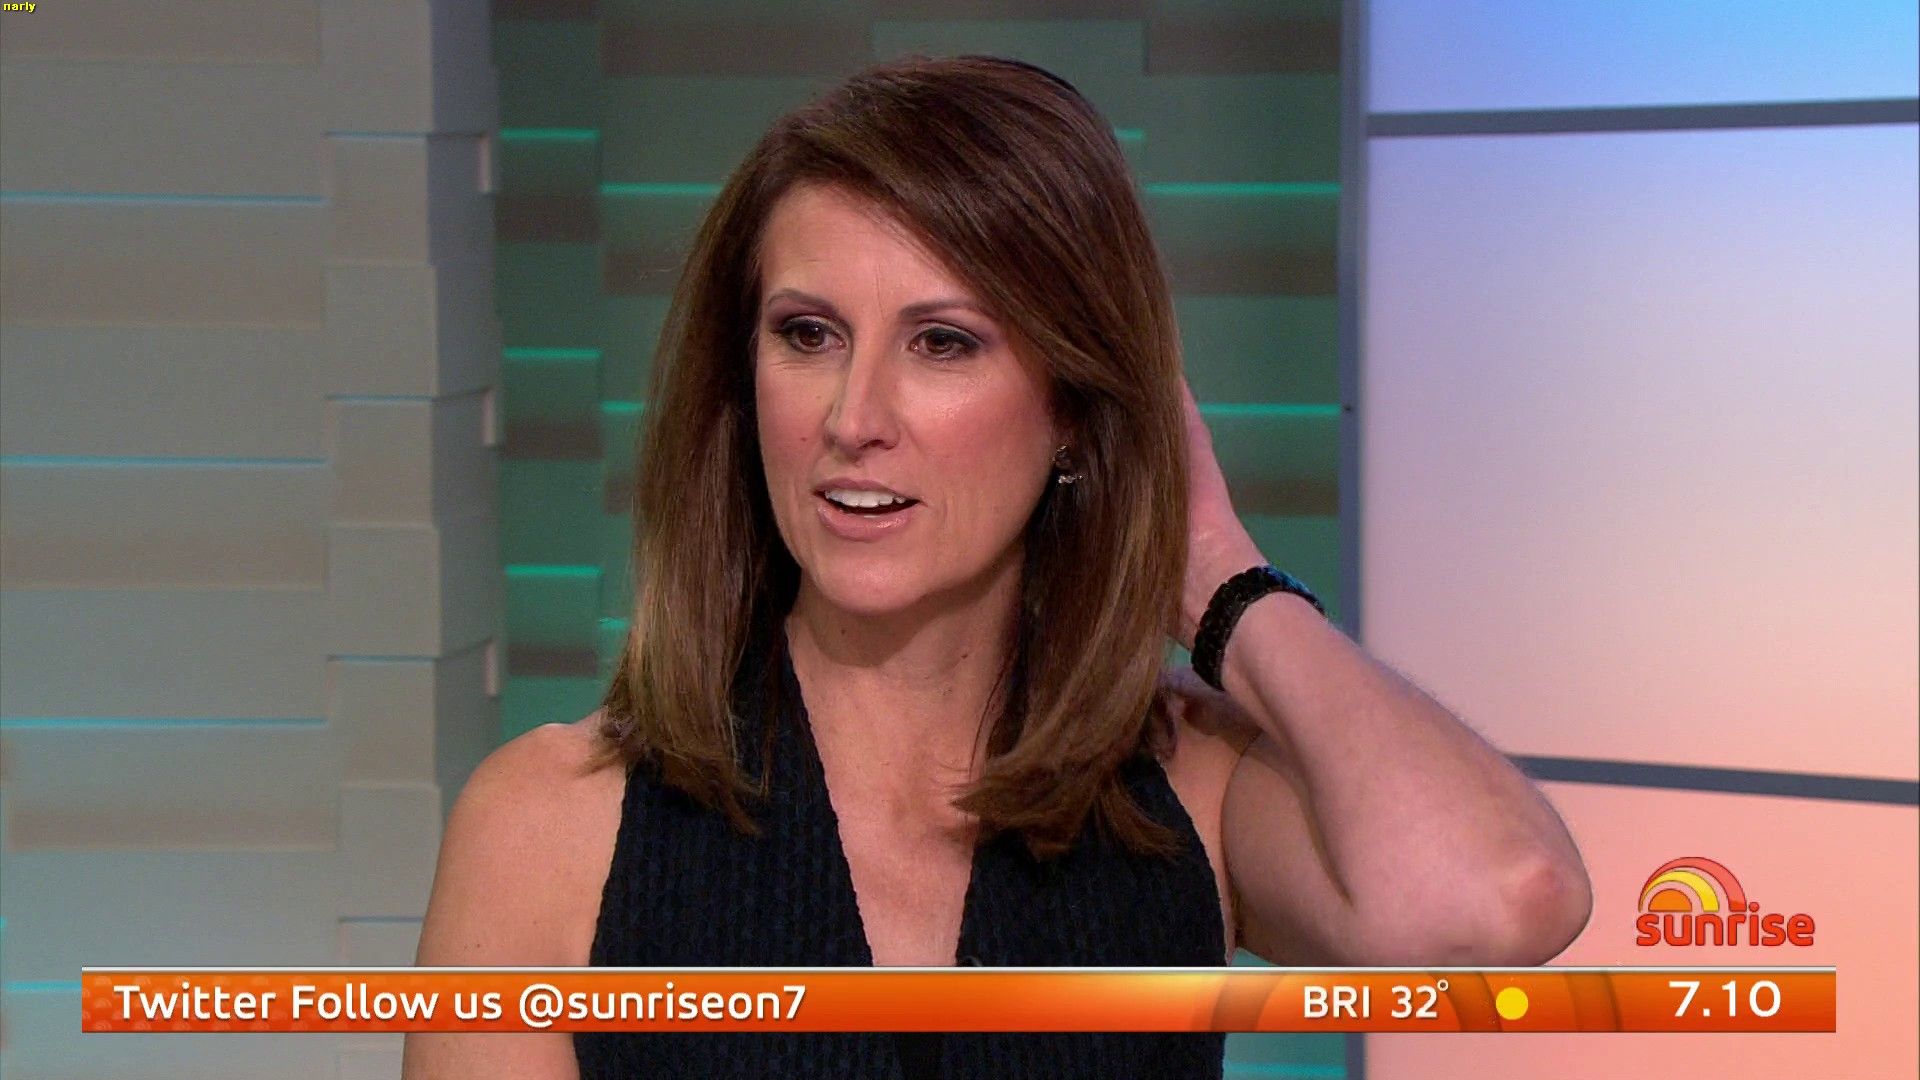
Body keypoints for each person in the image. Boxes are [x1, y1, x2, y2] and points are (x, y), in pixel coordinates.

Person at [401, 54, 1591, 1079]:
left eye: (943, 342)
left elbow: (1501, 900)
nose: (853, 418)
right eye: (808, 335)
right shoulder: (549, 826)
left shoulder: (1187, 791)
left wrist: (1216, 575)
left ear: (1073, 406)